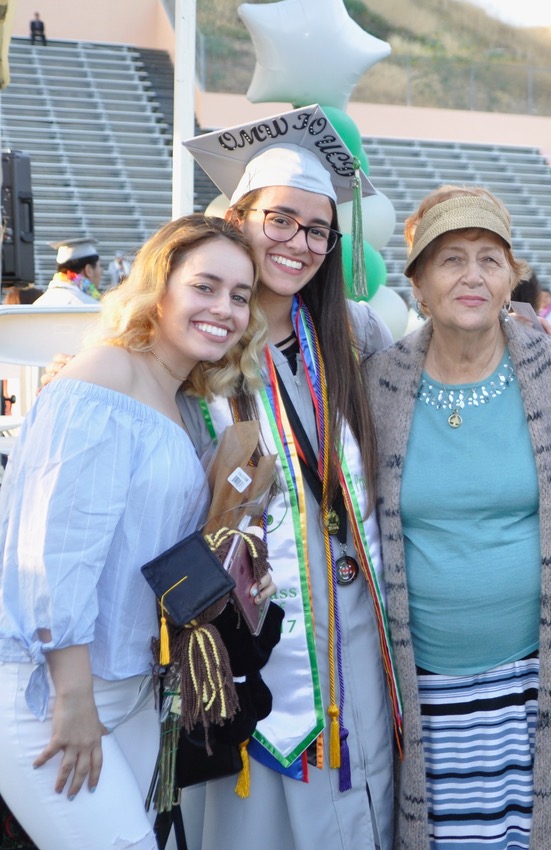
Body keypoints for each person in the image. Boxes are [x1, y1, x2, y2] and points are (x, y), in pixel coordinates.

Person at [364, 185, 551, 849]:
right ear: (419, 284)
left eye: (490, 260)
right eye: (451, 259)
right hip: (422, 678)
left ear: (511, 278)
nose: (472, 275)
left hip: (540, 672)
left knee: (536, 831)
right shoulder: (380, 382)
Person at [0, 215, 267, 850]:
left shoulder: (177, 394)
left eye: (239, 295)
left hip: (133, 684)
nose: (224, 309)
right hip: (51, 689)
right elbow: (54, 555)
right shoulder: (104, 379)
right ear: (158, 285)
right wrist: (72, 698)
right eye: (205, 286)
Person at [182, 106, 399, 850]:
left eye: (317, 230)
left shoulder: (353, 337)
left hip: (357, 637)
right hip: (251, 640)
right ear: (236, 217)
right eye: (280, 220)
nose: (298, 244)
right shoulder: (195, 354)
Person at [38, 238, 102, 305]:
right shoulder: (91, 306)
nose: (101, 271)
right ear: (88, 270)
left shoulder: (38, 304)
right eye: (100, 266)